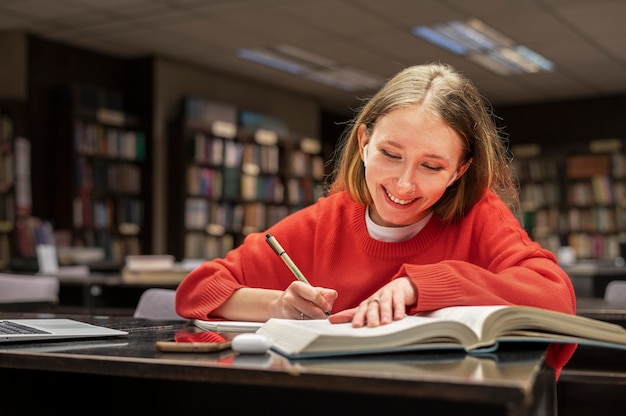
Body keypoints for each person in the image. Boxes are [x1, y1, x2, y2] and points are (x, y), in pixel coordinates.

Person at [175, 62, 576, 377]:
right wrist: (280, 304)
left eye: (432, 166)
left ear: (459, 171)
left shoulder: (480, 215)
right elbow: (198, 289)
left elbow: (556, 298)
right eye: (390, 154)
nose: (404, 183)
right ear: (364, 143)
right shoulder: (324, 221)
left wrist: (418, 286)